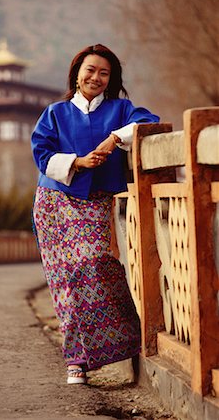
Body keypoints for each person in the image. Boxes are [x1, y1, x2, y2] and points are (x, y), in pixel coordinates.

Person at [31, 44, 159, 385]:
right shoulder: (56, 113)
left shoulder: (121, 110)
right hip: (56, 202)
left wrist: (112, 140)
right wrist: (78, 162)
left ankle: (124, 340)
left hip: (96, 202)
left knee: (96, 263)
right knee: (66, 282)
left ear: (111, 79)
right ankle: (76, 361)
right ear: (76, 73)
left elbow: (149, 123)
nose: (96, 77)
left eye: (104, 73)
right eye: (90, 70)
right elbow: (42, 154)